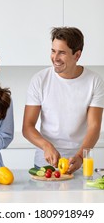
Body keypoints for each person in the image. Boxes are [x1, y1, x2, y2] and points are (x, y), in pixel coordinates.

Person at [22, 27, 104, 174]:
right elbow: (27, 127)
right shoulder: (40, 79)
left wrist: (80, 156)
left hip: (79, 164)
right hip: (45, 164)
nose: (55, 58)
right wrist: (46, 146)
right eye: (53, 51)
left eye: (62, 52)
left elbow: (94, 126)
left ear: (77, 55)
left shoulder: (94, 81)